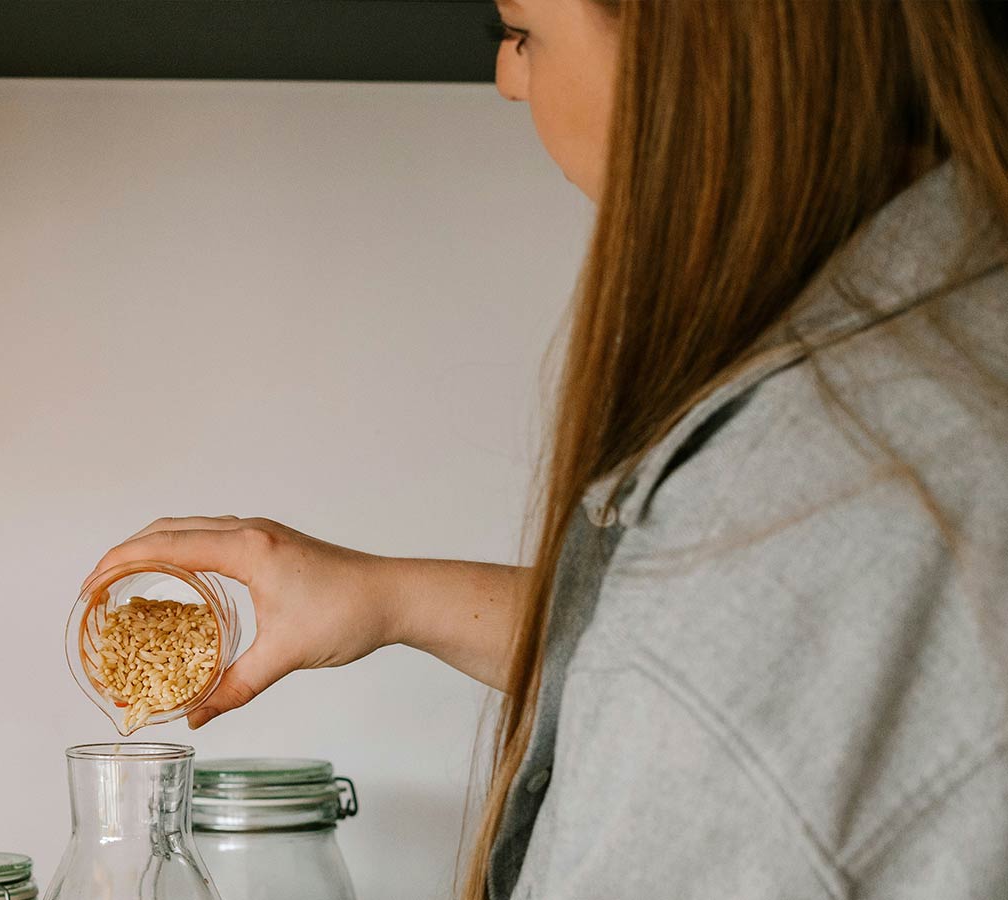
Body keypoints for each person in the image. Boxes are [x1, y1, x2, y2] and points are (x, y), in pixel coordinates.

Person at [84, 1, 1008, 897]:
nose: (507, 77)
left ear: (677, 43)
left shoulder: (798, 482)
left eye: (519, 31)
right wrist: (388, 596)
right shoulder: (951, 334)